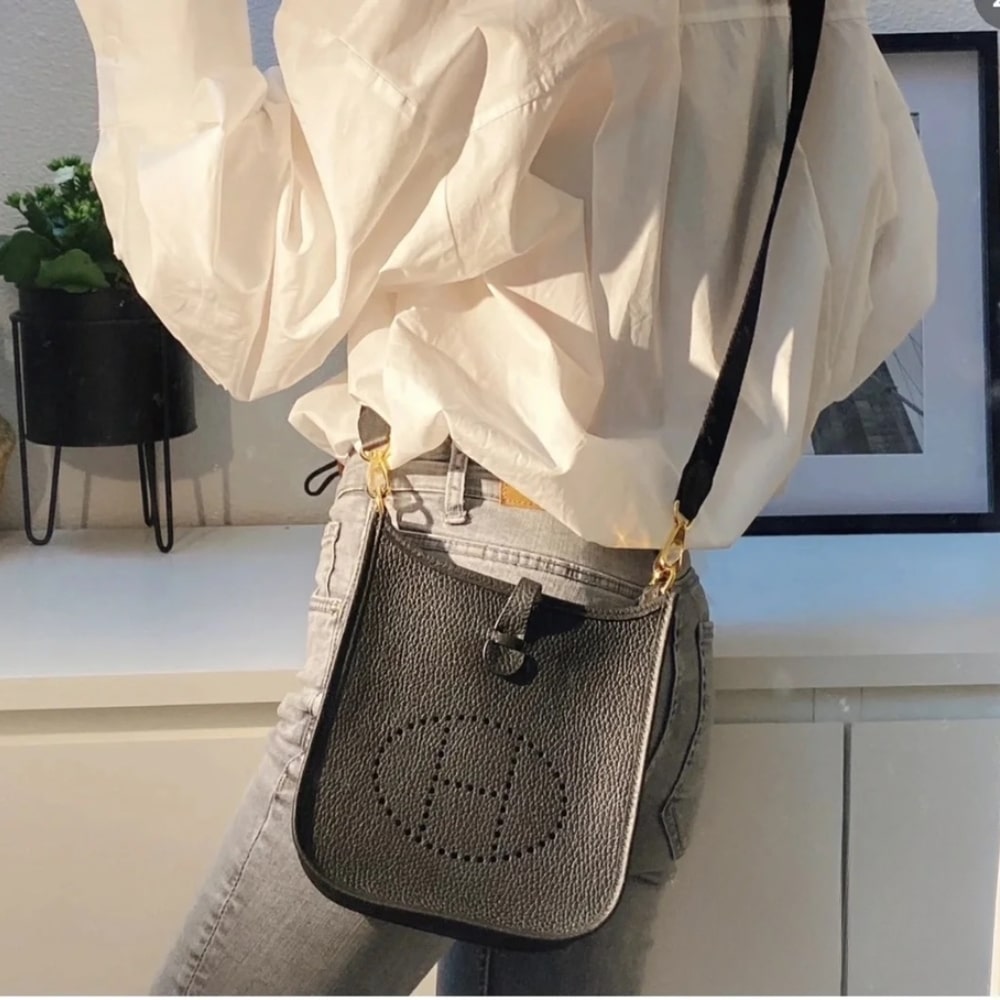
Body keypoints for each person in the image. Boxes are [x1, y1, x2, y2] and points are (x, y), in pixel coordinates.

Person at [73, 0, 936, 994]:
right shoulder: (816, 12)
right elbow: (882, 273)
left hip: (466, 611)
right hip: (652, 625)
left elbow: (256, 286)